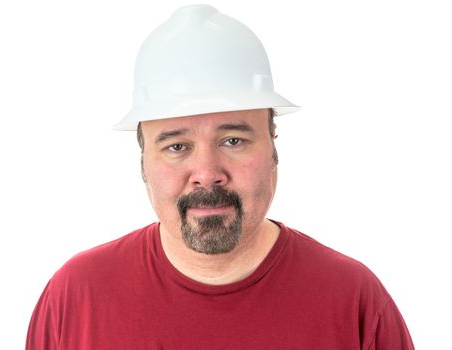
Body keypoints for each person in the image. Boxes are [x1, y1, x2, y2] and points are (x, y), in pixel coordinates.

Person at [26, 4, 414, 349]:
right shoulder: (76, 296)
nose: (207, 175)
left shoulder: (353, 300)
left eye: (233, 140)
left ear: (273, 145)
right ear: (144, 159)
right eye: (177, 146)